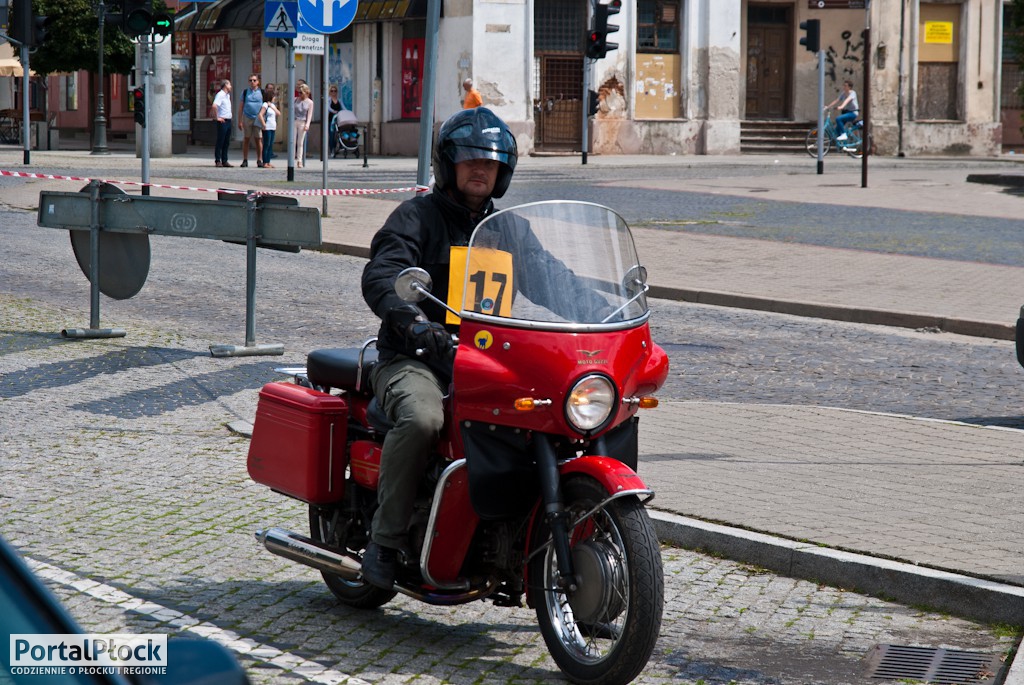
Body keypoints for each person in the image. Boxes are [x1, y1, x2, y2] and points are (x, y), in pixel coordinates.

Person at [359, 107, 611, 589]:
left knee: (553, 411)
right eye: (470, 159)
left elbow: (550, 275)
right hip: (416, 358)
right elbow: (383, 273)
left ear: (502, 173)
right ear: (448, 164)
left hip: (488, 360)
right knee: (424, 418)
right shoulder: (416, 217)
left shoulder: (508, 230)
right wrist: (410, 321)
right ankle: (384, 542)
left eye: (490, 163)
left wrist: (602, 312)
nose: (480, 169)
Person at [238, 74, 265, 167]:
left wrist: (265, 120)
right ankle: (245, 160)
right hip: (247, 117)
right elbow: (241, 107)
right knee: (246, 138)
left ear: (258, 82)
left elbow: (266, 105)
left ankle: (259, 160)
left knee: (258, 139)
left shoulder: (262, 92)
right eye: (250, 80)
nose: (252, 82)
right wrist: (240, 121)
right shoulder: (245, 92)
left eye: (254, 80)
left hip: (258, 118)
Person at [827, 79, 859, 144]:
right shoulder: (843, 93)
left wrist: (841, 106)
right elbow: (837, 100)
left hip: (853, 113)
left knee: (838, 119)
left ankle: (844, 134)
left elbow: (847, 100)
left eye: (845, 86)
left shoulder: (852, 93)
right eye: (843, 85)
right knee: (837, 130)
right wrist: (828, 106)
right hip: (847, 112)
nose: (844, 87)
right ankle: (843, 145)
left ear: (849, 87)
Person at [257, 86, 280, 169]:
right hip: (267, 127)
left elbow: (278, 113)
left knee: (270, 145)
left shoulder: (272, 105)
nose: (275, 98)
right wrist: (263, 124)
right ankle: (265, 162)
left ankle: (268, 162)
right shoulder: (265, 105)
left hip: (272, 127)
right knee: (266, 144)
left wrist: (272, 106)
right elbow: (260, 115)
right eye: (274, 96)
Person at [212, 79, 233, 168]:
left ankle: (225, 160)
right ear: (225, 85)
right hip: (222, 121)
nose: (231, 86)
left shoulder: (227, 95)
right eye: (229, 84)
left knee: (226, 141)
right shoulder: (220, 95)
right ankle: (218, 160)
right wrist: (217, 118)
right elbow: (214, 106)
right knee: (220, 141)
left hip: (228, 120)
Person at [293, 83, 314, 169]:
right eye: (299, 93)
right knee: (293, 142)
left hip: (302, 122)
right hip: (294, 121)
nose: (300, 94)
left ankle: (299, 160)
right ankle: (291, 160)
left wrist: (307, 124)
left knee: (300, 142)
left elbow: (309, 114)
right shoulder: (295, 100)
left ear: (306, 92)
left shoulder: (310, 102)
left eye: (301, 93)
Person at [328, 85, 343, 155]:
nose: (333, 92)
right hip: (331, 119)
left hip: (339, 119)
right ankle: (332, 149)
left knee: (339, 134)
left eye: (335, 91)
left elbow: (343, 107)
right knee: (331, 135)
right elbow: (328, 107)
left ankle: (340, 147)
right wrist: (333, 111)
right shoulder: (329, 100)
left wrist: (348, 112)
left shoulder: (339, 100)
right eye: (332, 91)